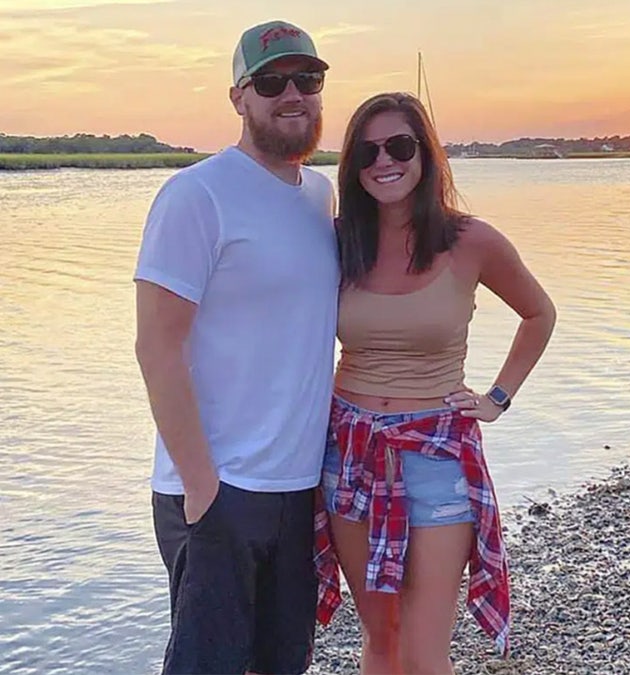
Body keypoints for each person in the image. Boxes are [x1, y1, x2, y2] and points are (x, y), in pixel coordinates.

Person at [313, 92, 557, 675]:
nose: (384, 161)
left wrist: (496, 398)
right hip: (348, 452)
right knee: (380, 637)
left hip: (437, 454)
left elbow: (539, 314)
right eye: (368, 151)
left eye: (399, 145)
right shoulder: (336, 240)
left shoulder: (470, 240)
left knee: (424, 653)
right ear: (352, 166)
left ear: (425, 154)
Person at [133, 20, 337, 674]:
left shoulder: (320, 196)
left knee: (283, 663)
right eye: (272, 81)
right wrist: (203, 490)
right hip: (219, 488)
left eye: (307, 78)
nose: (292, 94)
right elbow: (156, 347)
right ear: (239, 97)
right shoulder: (197, 195)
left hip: (296, 487)